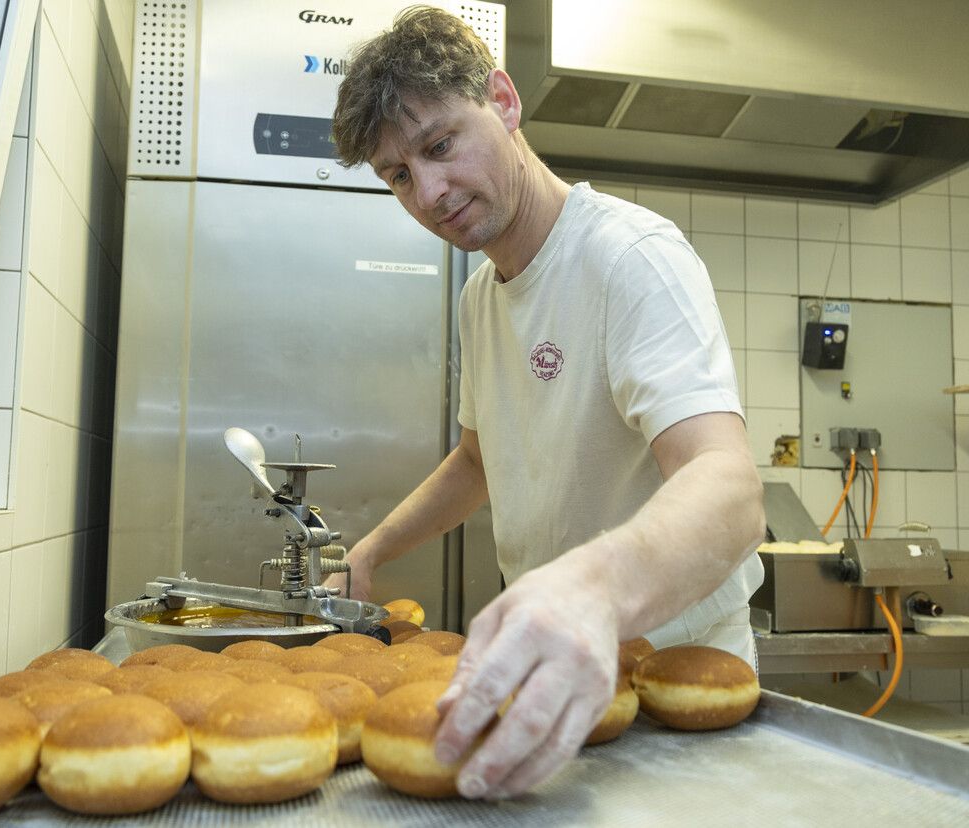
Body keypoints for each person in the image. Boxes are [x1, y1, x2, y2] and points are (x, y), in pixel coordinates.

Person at [327, 5, 765, 802]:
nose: (428, 192)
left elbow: (730, 489)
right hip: (551, 675)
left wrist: (592, 589)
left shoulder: (629, 257)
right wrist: (370, 553)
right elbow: (479, 457)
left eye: (439, 145)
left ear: (502, 100)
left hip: (670, 681)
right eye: (397, 175)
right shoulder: (479, 298)